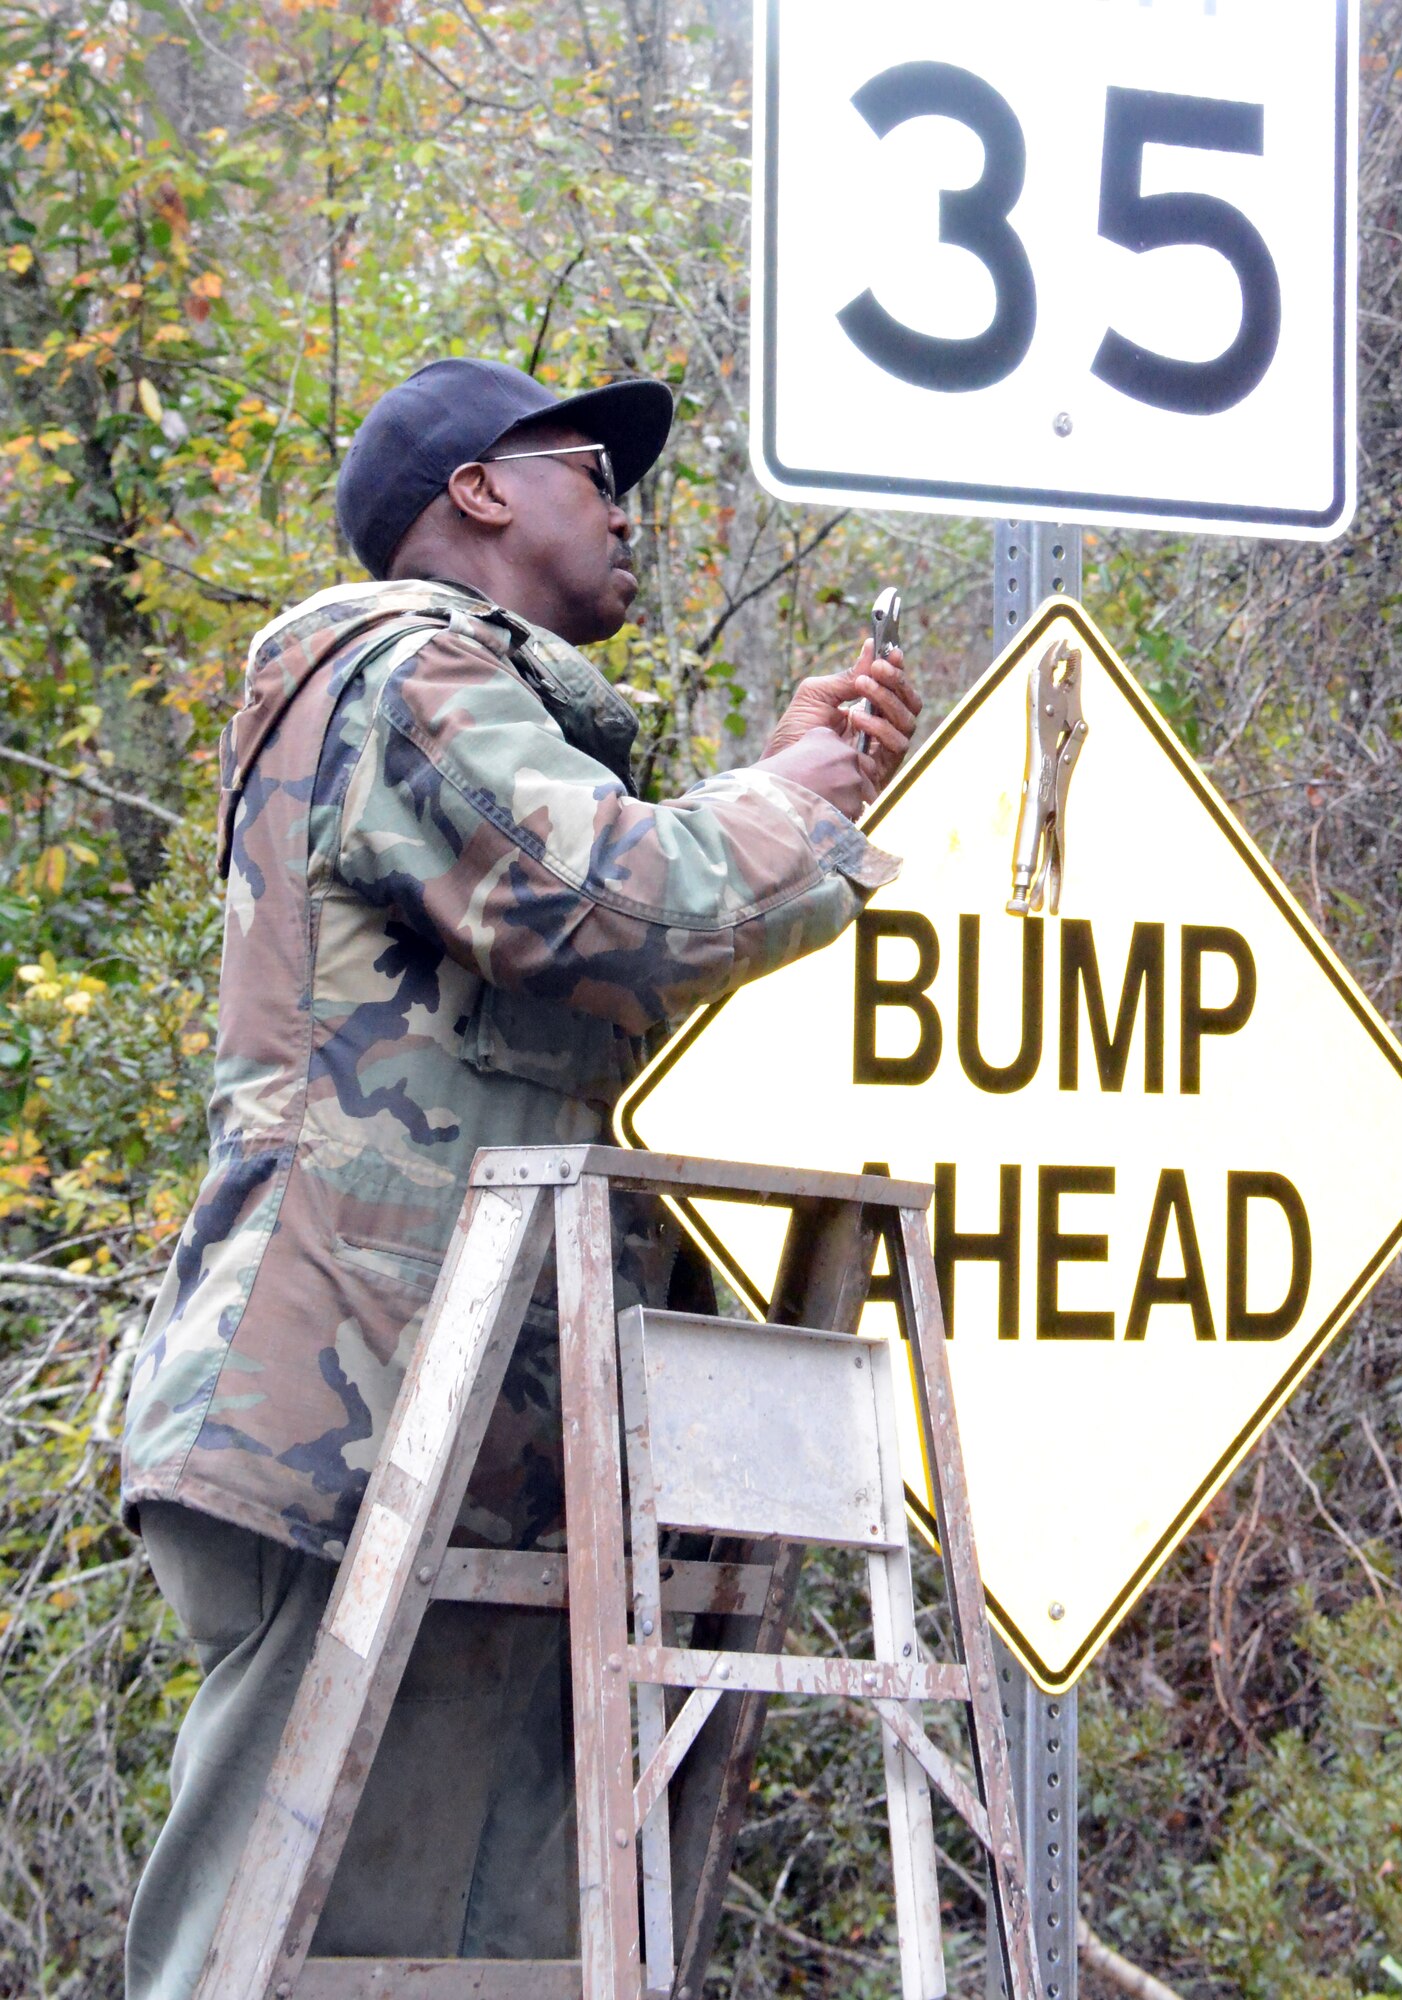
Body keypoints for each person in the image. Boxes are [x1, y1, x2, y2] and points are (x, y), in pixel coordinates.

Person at [119, 356, 921, 1997]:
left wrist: (779, 795)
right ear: (478, 490)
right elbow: (611, 899)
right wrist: (787, 805)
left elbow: (621, 928)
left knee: (476, 1968)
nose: (622, 505)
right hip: (346, 1433)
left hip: (470, 1449)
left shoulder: (480, 720)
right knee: (266, 1963)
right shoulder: (394, 668)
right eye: (588, 465)